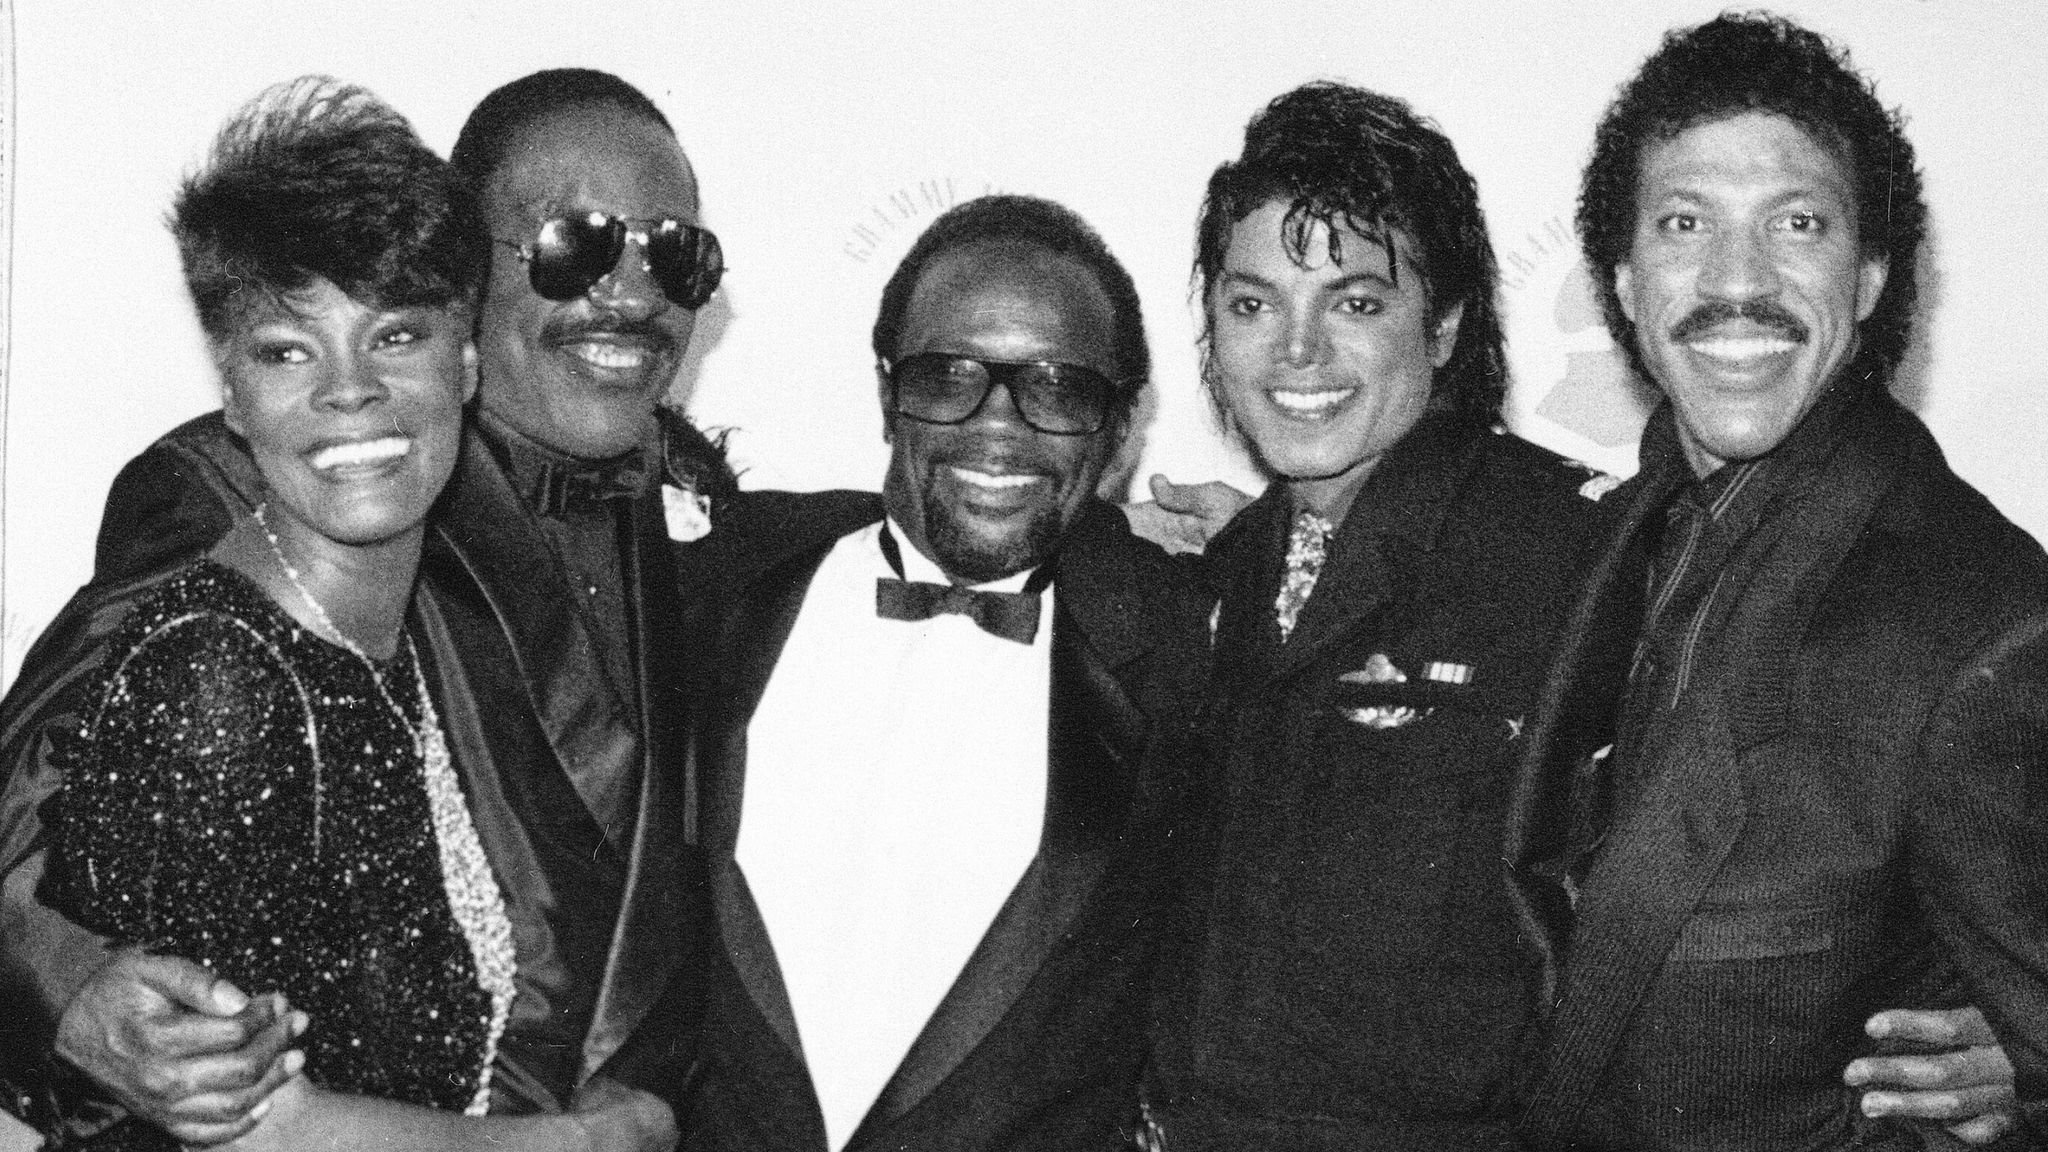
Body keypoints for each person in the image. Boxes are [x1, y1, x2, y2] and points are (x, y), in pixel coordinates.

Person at [0, 68, 730, 1146]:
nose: (630, 294)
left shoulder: (696, 512)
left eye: (674, 253)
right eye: (579, 244)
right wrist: (73, 997)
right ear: (467, 274)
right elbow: (26, 798)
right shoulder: (256, 487)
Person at [1509, 13, 2048, 1147]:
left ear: (1864, 280)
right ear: (1621, 277)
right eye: (1682, 224)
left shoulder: (1982, 618)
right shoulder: (1624, 532)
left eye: (1792, 224)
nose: (1734, 280)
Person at [1136, 81, 1613, 1151]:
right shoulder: (1217, 572)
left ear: (1441, 327)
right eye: (1251, 304)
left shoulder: (1571, 558)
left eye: (1353, 303)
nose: (1294, 354)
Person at [677, 194, 1210, 1151]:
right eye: (948, 375)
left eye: (1057, 386)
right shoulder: (714, 582)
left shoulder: (1189, 650)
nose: (996, 426)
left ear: (1120, 425)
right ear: (887, 390)